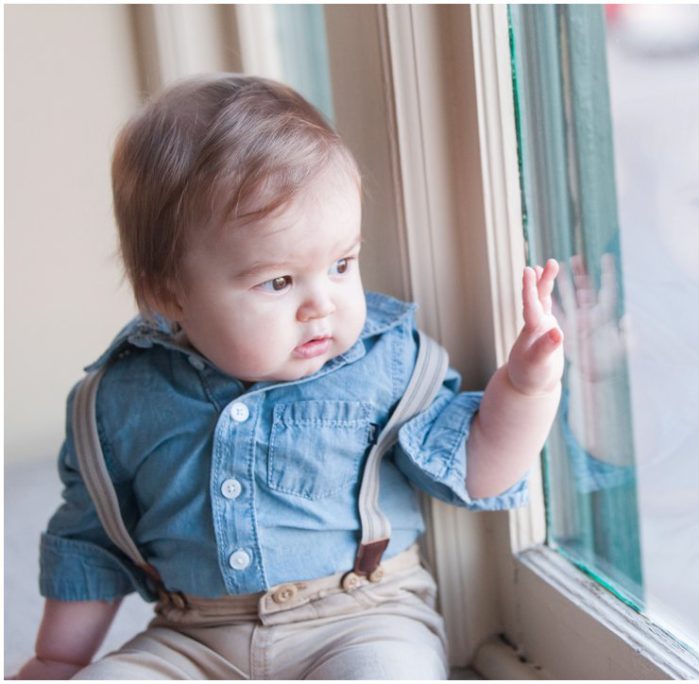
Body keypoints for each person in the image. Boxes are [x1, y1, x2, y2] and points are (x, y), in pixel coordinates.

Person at [15, 74, 564, 680]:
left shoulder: (382, 363)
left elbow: (480, 467)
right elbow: (88, 540)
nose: (321, 304)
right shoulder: (120, 398)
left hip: (360, 615)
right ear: (167, 292)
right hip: (193, 638)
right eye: (278, 281)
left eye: (340, 264)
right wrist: (58, 660)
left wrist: (528, 385)